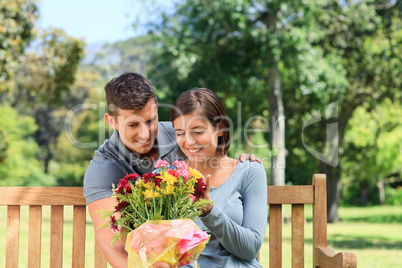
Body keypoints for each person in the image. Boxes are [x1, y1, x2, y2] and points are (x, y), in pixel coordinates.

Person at [83, 72, 260, 268]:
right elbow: (113, 243)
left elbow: (209, 144)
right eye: (133, 125)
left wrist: (244, 163)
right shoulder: (104, 169)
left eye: (150, 121)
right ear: (112, 121)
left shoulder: (177, 133)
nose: (144, 134)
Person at [171, 88, 268, 267]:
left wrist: (209, 211)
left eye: (198, 132)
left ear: (221, 129)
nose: (188, 141)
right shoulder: (169, 179)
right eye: (180, 133)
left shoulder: (249, 172)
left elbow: (250, 249)